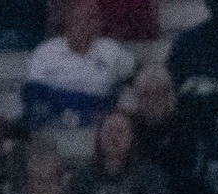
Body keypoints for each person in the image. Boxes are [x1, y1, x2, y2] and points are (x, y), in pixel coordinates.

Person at [21, 0, 135, 129]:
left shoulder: (112, 50)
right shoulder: (46, 52)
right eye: (79, 19)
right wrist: (92, 102)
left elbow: (135, 78)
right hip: (55, 124)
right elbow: (33, 92)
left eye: (91, 18)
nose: (85, 25)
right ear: (68, 20)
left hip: (100, 124)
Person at [127, 63, 217, 194]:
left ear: (170, 95)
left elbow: (195, 167)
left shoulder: (188, 124)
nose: (152, 100)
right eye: (145, 94)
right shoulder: (132, 129)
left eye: (159, 93)